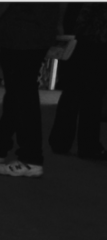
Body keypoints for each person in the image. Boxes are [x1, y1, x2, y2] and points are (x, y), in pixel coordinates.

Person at [0, 3, 62, 178]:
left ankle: (31, 158)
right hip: (39, 29)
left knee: (23, 95)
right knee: (18, 93)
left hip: (20, 31)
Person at [48, 3, 107, 161]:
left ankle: (61, 141)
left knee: (73, 92)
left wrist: (60, 25)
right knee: (92, 96)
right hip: (95, 38)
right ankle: (87, 145)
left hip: (80, 36)